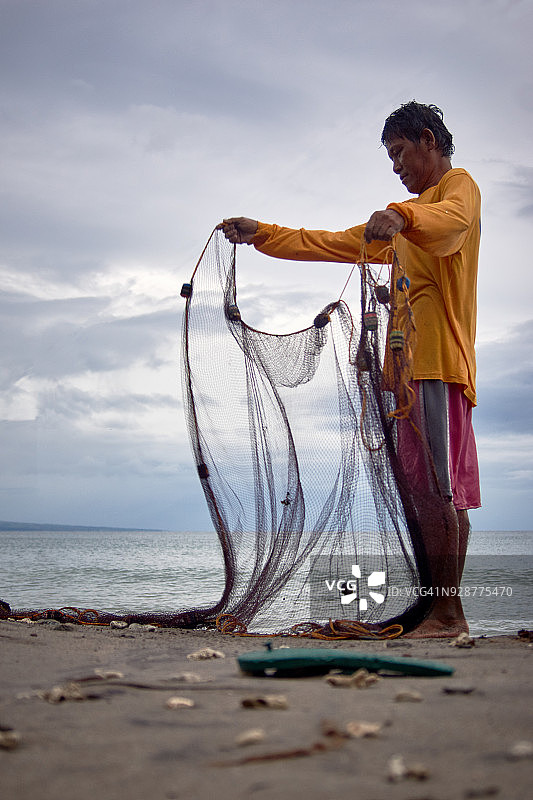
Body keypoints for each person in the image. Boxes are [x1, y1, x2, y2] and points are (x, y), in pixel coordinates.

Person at [218, 100, 481, 638]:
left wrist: (401, 215)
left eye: (400, 152)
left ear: (428, 139)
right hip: (408, 373)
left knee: (436, 490)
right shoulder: (406, 232)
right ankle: (440, 610)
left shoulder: (457, 190)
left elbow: (452, 225)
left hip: (436, 365)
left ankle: (449, 614)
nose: (396, 167)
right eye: (390, 157)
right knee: (432, 489)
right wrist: (262, 232)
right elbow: (332, 243)